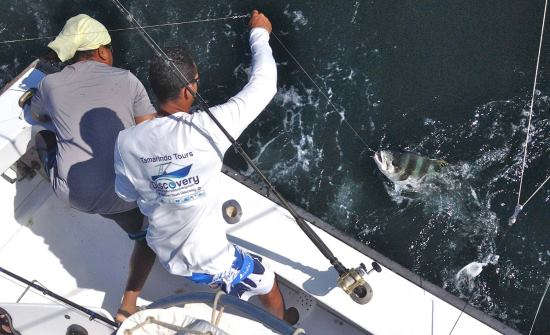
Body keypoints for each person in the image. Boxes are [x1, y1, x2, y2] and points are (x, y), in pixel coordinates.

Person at [113, 10, 290, 319]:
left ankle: (130, 301)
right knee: (267, 281)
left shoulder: (126, 141)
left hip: (162, 245)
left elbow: (126, 194)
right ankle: (283, 326)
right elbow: (265, 85)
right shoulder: (207, 128)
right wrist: (260, 33)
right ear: (187, 90)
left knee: (148, 231)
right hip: (206, 259)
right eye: (195, 79)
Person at [29, 14, 157, 323]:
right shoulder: (128, 79)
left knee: (45, 138)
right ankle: (128, 304)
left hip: (74, 194)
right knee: (147, 238)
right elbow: (152, 138)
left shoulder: (49, 84)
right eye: (109, 48)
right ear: (101, 51)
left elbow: (36, 115)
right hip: (125, 197)